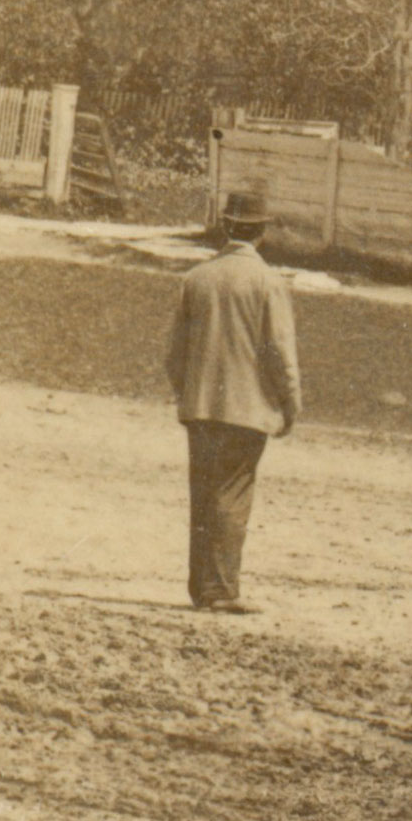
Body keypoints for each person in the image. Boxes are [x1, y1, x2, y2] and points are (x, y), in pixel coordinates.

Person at [164, 189, 302, 613]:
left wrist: (187, 392)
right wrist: (290, 402)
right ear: (262, 232)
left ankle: (203, 588)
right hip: (248, 408)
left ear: (226, 226)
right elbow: (279, 351)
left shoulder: (196, 279)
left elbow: (174, 354)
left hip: (200, 405)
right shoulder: (268, 283)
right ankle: (222, 590)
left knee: (204, 494)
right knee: (232, 495)